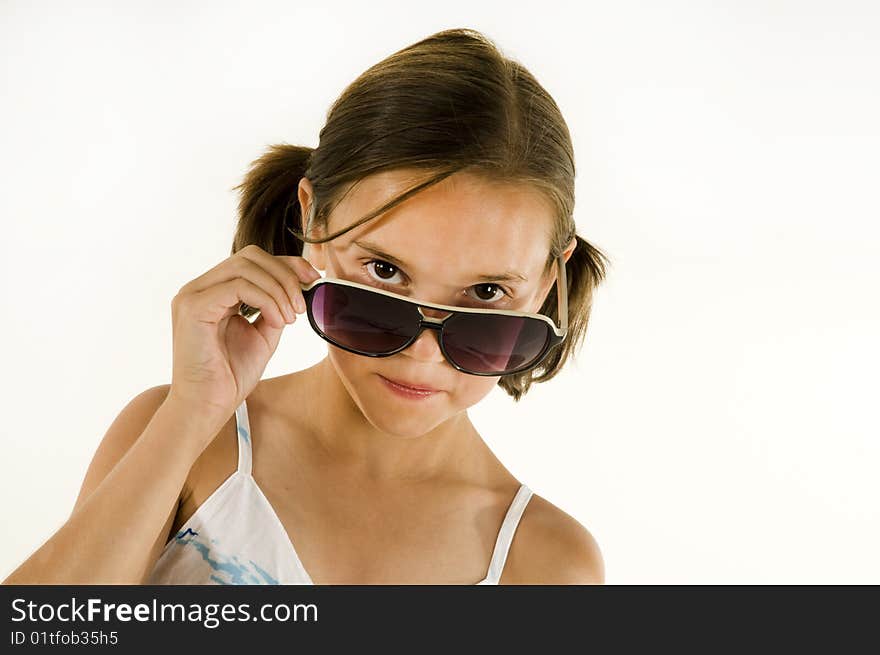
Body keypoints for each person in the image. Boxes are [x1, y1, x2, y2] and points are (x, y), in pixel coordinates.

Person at [3, 27, 609, 585]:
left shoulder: (548, 566)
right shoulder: (184, 442)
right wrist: (192, 414)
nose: (423, 355)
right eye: (385, 271)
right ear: (312, 219)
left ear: (548, 275)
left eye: (485, 294)